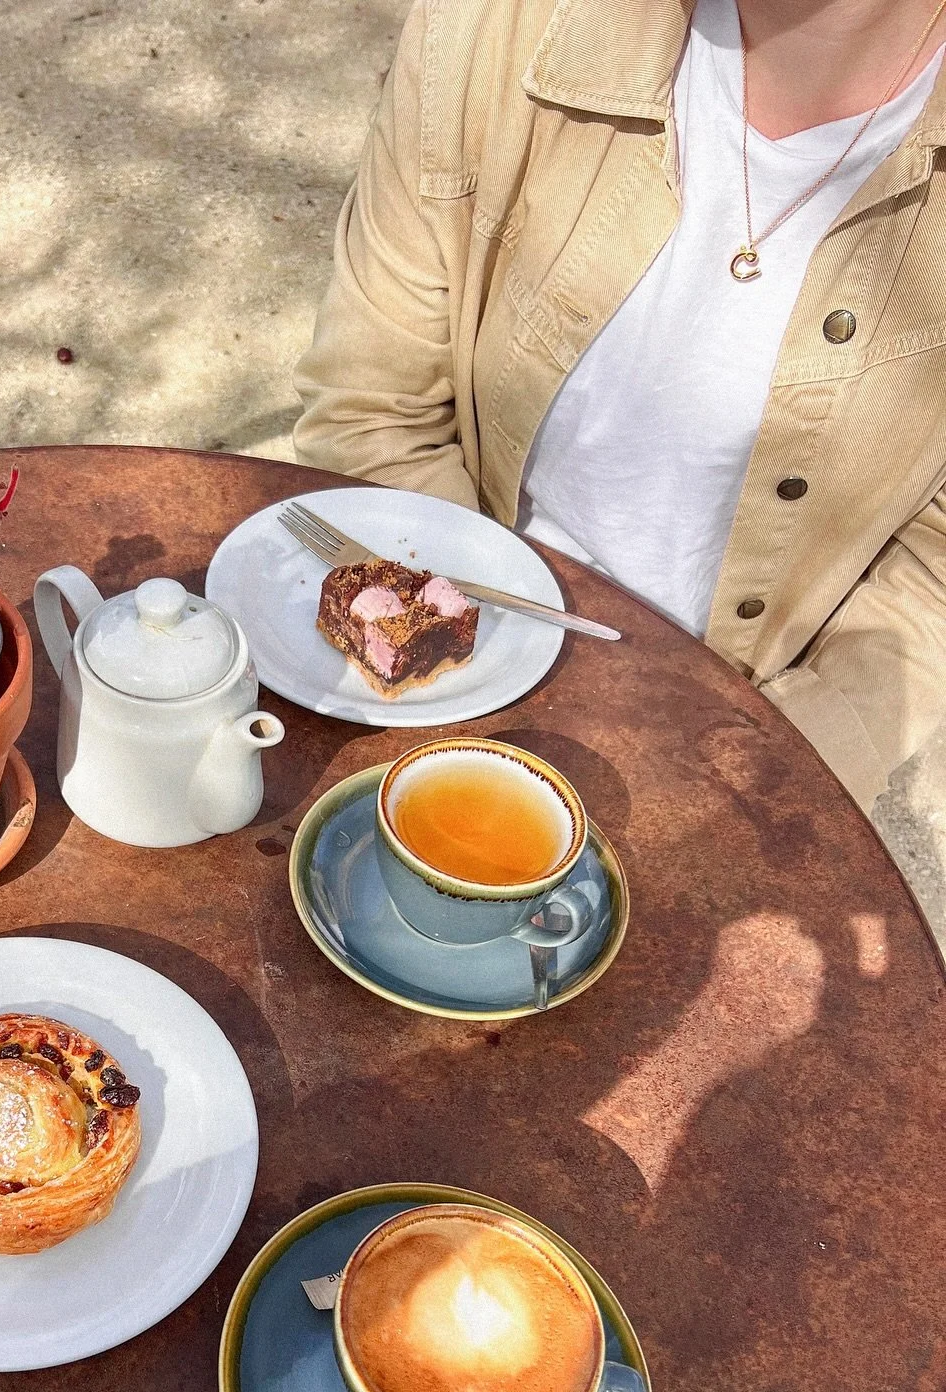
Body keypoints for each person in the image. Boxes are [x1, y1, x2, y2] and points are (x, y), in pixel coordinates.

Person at [293, 0, 946, 811]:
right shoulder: (497, 27)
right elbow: (371, 407)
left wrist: (751, 779)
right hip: (449, 667)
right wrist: (471, 671)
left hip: (730, 756)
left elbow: (930, 583)